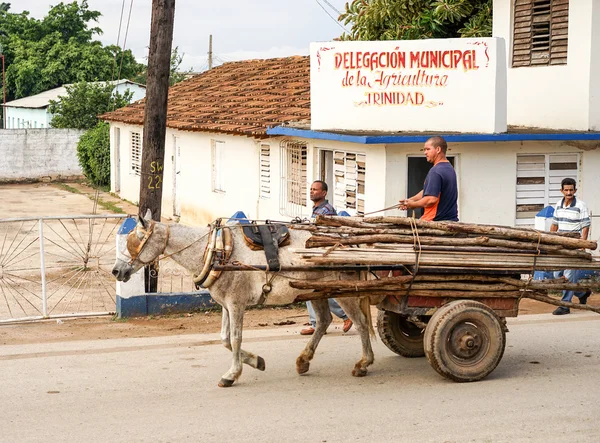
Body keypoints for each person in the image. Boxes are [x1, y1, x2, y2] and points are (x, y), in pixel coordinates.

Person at [300, 180, 353, 336]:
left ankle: (343, 314)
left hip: (323, 253)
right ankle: (316, 322)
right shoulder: (317, 209)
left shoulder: (326, 210)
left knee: (315, 287)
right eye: (310, 189)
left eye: (315, 190)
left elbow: (324, 234)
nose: (312, 191)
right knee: (310, 287)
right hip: (315, 251)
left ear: (323, 193)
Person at [550, 177, 592, 315]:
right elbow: (555, 224)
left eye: (571, 190)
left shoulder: (581, 205)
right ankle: (582, 293)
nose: (569, 193)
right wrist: (549, 240)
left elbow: (586, 225)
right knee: (557, 274)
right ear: (561, 190)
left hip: (574, 244)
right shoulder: (558, 205)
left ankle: (565, 305)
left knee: (568, 274)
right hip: (561, 245)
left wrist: (582, 244)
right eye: (566, 190)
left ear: (575, 190)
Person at [399, 136, 458, 222]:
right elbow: (428, 191)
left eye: (428, 149)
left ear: (438, 149)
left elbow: (431, 199)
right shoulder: (449, 168)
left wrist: (414, 204)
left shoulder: (436, 171)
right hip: (450, 221)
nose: (425, 152)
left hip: (435, 222)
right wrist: (410, 200)